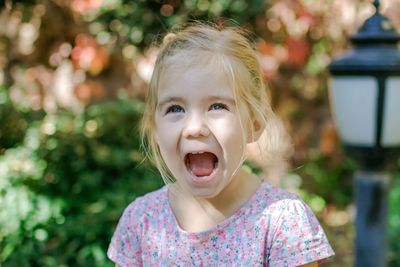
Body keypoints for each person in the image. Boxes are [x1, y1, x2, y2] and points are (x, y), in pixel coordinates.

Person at [107, 22, 335, 267]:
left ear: (254, 125)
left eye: (217, 106)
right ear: (155, 130)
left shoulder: (282, 222)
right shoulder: (141, 221)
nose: (194, 128)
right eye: (175, 109)